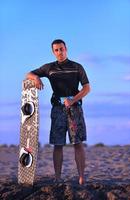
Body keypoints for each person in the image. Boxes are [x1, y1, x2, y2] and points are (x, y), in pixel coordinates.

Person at [26, 39, 91, 185]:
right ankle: (57, 177)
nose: (59, 52)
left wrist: (73, 100)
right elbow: (28, 74)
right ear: (53, 52)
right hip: (57, 110)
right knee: (58, 144)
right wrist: (36, 77)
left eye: (61, 49)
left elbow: (87, 88)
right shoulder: (49, 68)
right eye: (56, 50)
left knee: (78, 143)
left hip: (75, 110)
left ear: (66, 49)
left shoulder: (77, 67)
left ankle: (81, 177)